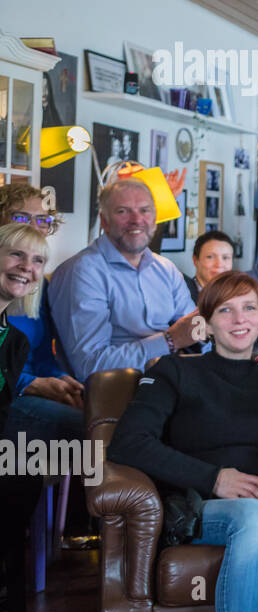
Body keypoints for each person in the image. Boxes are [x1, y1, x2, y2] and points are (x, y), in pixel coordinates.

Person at [107, 271, 258, 612]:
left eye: (249, 308)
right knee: (253, 517)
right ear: (206, 323)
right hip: (199, 503)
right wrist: (215, 479)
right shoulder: (174, 371)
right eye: (225, 311)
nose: (239, 319)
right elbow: (129, 443)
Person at [50, 180, 202, 382]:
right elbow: (90, 365)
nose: (137, 219)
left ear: (155, 219)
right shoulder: (83, 272)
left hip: (172, 382)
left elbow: (196, 333)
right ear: (104, 221)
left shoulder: (166, 269)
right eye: (123, 211)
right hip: (117, 393)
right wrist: (169, 341)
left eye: (145, 210)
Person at [0, 187, 82, 445]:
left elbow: (44, 355)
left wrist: (59, 379)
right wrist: (31, 383)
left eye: (43, 220)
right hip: (11, 395)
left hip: (30, 389)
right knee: (88, 429)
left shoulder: (35, 284)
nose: (34, 227)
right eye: (21, 218)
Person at [0, 223, 46, 612]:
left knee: (28, 466)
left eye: (37, 261)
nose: (26, 268)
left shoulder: (15, 341)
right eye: (16, 255)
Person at [185, 230, 234, 302]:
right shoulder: (184, 294)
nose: (219, 265)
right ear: (195, 260)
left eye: (225, 257)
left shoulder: (236, 295)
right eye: (210, 257)